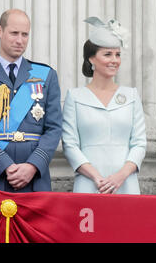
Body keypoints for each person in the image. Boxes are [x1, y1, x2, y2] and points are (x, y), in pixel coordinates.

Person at [0, 9, 62, 192]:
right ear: (0, 31)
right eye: (14, 33)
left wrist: (33, 166)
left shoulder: (46, 75)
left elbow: (54, 128)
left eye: (25, 34)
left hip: (34, 179)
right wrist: (4, 165)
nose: (20, 40)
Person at [62, 17, 146, 194]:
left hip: (126, 184)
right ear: (91, 59)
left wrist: (120, 176)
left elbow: (139, 143)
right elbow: (70, 144)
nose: (114, 60)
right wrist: (96, 178)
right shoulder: (75, 97)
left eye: (117, 54)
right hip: (89, 183)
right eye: (107, 54)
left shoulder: (131, 96)